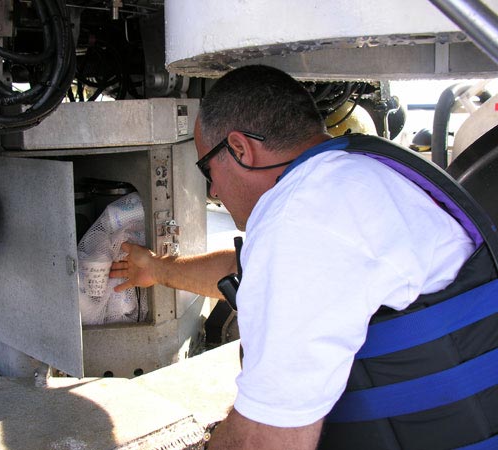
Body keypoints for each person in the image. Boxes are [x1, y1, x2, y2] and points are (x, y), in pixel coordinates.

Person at [109, 65, 498, 449]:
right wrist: (158, 269)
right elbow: (243, 270)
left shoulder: (302, 215)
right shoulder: (355, 172)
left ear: (240, 149)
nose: (212, 188)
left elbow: (267, 440)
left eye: (207, 168)